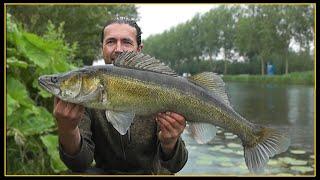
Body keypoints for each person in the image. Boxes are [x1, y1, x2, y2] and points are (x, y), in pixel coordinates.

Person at [53, 17, 188, 175]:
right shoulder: (86, 94)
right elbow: (79, 163)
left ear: (139, 49)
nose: (118, 49)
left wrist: (170, 142)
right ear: (102, 48)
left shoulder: (160, 87)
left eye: (126, 42)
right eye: (110, 42)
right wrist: (68, 130)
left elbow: (176, 164)